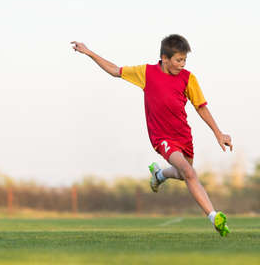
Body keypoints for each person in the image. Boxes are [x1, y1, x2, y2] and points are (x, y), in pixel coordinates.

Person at [71, 34, 232, 236]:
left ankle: (160, 174)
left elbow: (201, 107)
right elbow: (115, 71)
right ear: (165, 58)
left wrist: (219, 133)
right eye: (178, 60)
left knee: (185, 173)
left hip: (183, 135)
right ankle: (213, 216)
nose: (182, 64)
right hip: (162, 137)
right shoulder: (146, 73)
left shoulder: (189, 78)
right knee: (190, 173)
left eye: (184, 60)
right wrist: (88, 52)